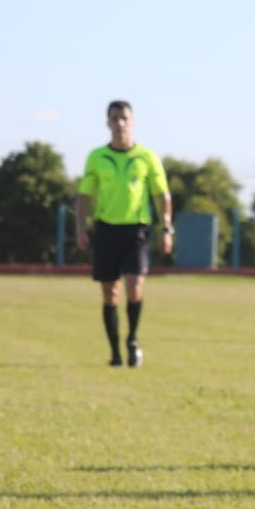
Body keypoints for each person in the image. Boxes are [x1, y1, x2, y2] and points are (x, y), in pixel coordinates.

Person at [74, 100, 173, 367]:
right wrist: (81, 227)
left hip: (136, 230)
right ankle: (115, 352)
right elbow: (84, 195)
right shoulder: (96, 157)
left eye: (124, 118)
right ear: (107, 123)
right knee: (110, 293)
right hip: (106, 229)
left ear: (132, 122)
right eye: (115, 118)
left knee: (134, 285)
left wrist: (166, 228)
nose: (119, 123)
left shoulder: (146, 157)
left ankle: (132, 339)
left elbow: (161, 194)